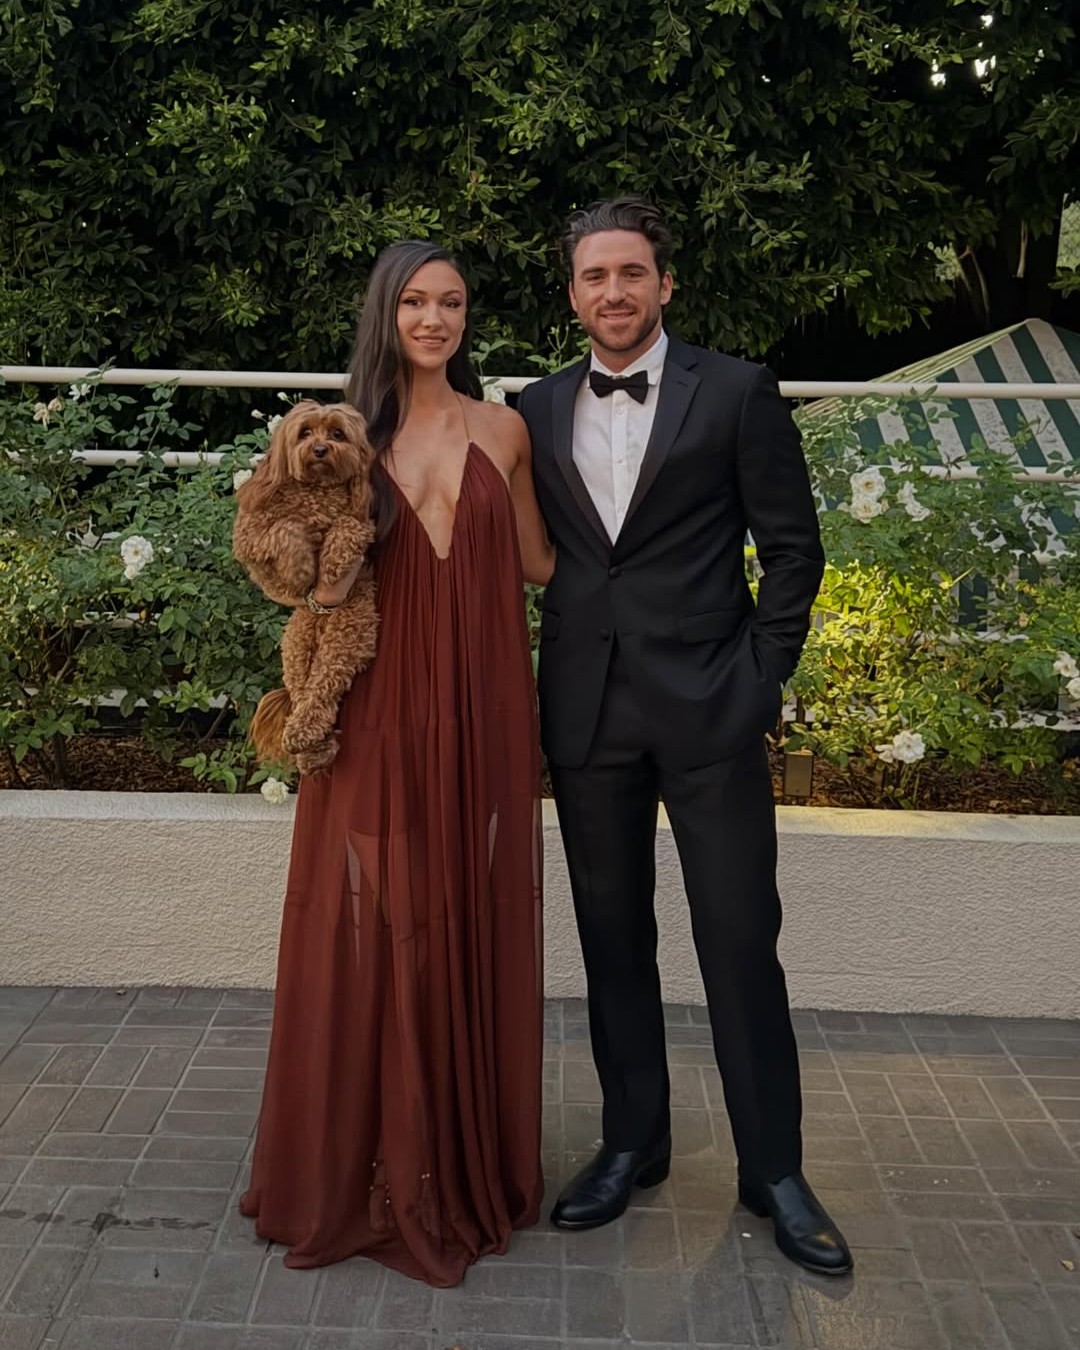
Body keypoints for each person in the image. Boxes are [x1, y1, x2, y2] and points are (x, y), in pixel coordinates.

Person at [517, 197, 852, 1277]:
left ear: (665, 283)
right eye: (594, 276)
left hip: (713, 706)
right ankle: (633, 1143)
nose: (613, 291)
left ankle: (774, 1170)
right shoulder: (533, 408)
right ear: (573, 293)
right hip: (589, 714)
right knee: (613, 940)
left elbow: (793, 552)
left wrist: (761, 679)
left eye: (631, 272)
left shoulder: (738, 391)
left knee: (740, 938)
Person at [240, 240, 554, 1287]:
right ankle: (370, 1163)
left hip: (482, 704)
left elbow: (540, 563)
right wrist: (306, 577)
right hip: (373, 702)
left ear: (467, 317)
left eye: (451, 302)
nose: (433, 319)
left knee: (462, 905)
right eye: (415, 301)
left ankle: (451, 1158)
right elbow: (279, 553)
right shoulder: (340, 436)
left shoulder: (505, 430)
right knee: (378, 915)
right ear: (387, 314)